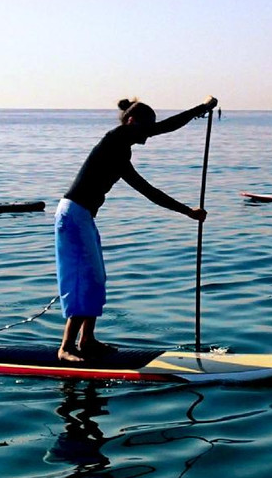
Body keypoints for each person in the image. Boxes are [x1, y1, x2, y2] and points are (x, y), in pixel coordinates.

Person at [54, 95, 218, 363]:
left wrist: (187, 211)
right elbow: (165, 127)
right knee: (84, 278)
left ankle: (88, 341)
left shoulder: (120, 152)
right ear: (131, 122)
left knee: (97, 278)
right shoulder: (115, 138)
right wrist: (201, 109)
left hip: (83, 217)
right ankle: (66, 348)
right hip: (72, 215)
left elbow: (147, 191)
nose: (149, 134)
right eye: (146, 127)